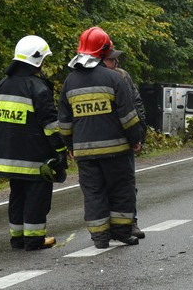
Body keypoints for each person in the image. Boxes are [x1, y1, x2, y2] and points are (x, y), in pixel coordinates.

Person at [59, 26, 144, 249]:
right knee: (121, 190)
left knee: (93, 193)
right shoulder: (113, 78)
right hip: (116, 150)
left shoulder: (70, 82)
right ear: (104, 51)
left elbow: (65, 121)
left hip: (85, 152)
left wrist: (70, 145)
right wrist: (135, 138)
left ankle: (99, 237)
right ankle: (122, 232)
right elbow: (128, 116)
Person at [0, 35, 66, 251]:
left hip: (7, 156)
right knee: (37, 196)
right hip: (34, 157)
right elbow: (50, 126)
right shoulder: (37, 88)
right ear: (37, 61)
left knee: (17, 194)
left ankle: (17, 238)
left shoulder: (1, 84)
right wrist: (60, 150)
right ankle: (34, 239)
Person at [103, 47, 146, 239]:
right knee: (102, 186)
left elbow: (136, 105)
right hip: (100, 142)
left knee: (127, 184)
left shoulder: (123, 76)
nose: (116, 63)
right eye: (112, 60)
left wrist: (139, 134)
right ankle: (107, 227)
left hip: (123, 140)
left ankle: (130, 223)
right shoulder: (88, 78)